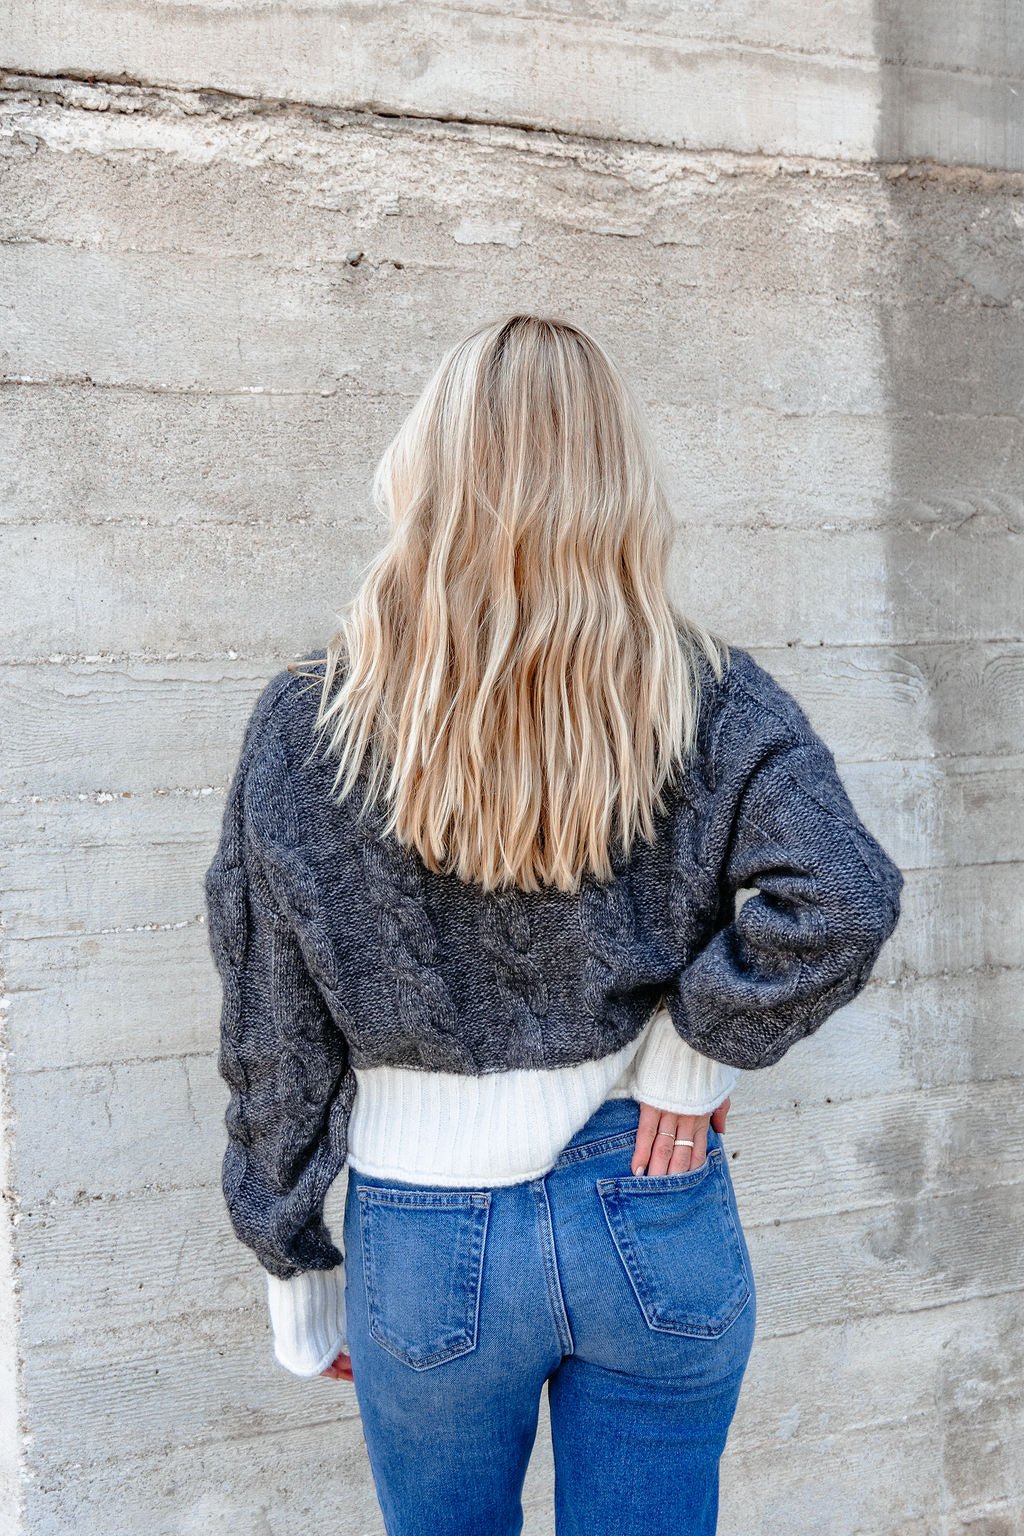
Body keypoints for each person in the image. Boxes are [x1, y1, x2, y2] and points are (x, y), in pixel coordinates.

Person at [204, 312, 904, 1536]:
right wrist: (690, 1062)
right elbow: (838, 894)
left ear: (424, 472)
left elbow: (274, 1025)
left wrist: (295, 1266)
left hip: (422, 1248)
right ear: (620, 487)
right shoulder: (711, 696)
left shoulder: (304, 729)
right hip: (649, 1199)